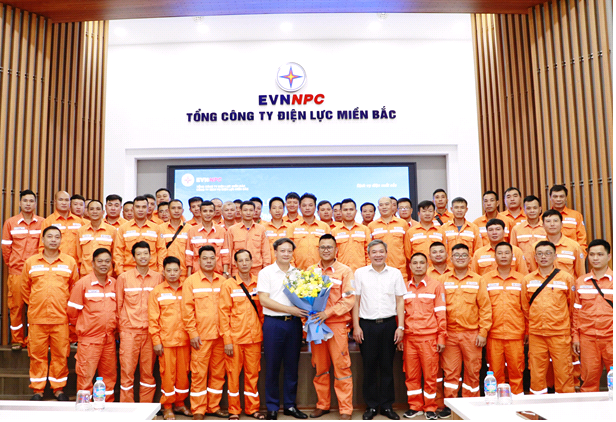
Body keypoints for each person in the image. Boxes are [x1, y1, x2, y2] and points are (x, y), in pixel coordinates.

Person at [22, 226, 79, 401]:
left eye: (57, 237)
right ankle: (38, 390)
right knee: (37, 354)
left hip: (61, 318)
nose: (53, 240)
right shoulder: (31, 262)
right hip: (37, 318)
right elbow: (25, 289)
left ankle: (58, 389)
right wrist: (36, 305)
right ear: (43, 239)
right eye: (50, 237)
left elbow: (74, 288)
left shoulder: (69, 262)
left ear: (61, 240)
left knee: (60, 354)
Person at [353, 239, 406, 421]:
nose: (378, 255)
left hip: (389, 325)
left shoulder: (395, 273)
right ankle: (371, 406)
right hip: (366, 325)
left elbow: (400, 301)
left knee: (386, 366)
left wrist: (400, 326)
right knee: (368, 367)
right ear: (368, 254)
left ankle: (387, 405)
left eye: (381, 251)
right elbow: (356, 301)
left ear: (386, 252)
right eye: (374, 252)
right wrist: (356, 325)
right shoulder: (360, 273)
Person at [257, 238, 309, 420]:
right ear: (275, 252)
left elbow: (304, 297)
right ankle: (271, 407)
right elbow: (264, 300)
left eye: (289, 251)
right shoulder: (266, 272)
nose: (286, 254)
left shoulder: (298, 273)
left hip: (294, 324)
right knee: (271, 366)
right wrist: (290, 309)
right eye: (282, 251)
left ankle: (290, 405)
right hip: (274, 324)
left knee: (292, 366)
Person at [438, 244, 491, 419]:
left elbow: (485, 308)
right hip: (450, 334)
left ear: (469, 259)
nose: (460, 258)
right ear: (450, 259)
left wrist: (483, 333)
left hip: (472, 334)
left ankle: (471, 405)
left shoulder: (478, 280)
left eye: (463, 255)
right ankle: (451, 406)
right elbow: (438, 309)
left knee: (472, 371)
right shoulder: (443, 280)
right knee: (450, 372)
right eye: (456, 255)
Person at [307, 234, 355, 420]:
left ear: (336, 250)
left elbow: (349, 299)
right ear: (318, 249)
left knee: (342, 367)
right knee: (320, 367)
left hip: (336, 325)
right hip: (316, 326)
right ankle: (323, 405)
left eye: (329, 247)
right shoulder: (311, 271)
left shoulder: (345, 271)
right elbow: (305, 299)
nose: (326, 250)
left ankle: (345, 409)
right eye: (323, 247)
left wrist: (328, 313)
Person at [521, 240, 575, 394]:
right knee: (537, 375)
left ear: (555, 256)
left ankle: (565, 412)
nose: (543, 257)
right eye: (539, 254)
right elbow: (525, 308)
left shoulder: (566, 278)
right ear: (535, 257)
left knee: (564, 373)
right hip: (537, 334)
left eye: (548, 253)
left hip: (560, 334)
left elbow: (571, 306)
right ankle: (538, 411)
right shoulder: (528, 280)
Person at [181, 245, 229, 419]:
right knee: (199, 374)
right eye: (205, 258)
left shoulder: (223, 281)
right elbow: (187, 310)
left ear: (217, 259)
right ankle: (199, 409)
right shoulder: (191, 282)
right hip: (200, 337)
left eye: (211, 258)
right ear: (198, 260)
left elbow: (229, 309)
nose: (209, 261)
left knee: (218, 373)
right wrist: (192, 333)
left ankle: (214, 407)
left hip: (221, 336)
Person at [219, 249, 265, 420]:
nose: (244, 263)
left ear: (252, 262)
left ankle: (253, 409)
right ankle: (234, 410)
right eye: (241, 261)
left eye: (247, 260)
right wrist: (227, 340)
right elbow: (223, 314)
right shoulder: (228, 285)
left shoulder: (259, 283)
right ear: (235, 264)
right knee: (233, 375)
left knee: (252, 375)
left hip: (254, 338)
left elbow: (262, 312)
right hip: (235, 339)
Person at [67, 248, 117, 402]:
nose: (104, 264)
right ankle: (84, 411)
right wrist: (84, 327)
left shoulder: (114, 283)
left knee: (109, 378)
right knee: (85, 377)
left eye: (107, 261)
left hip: (109, 339)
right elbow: (72, 312)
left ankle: (107, 409)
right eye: (100, 261)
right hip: (89, 340)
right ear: (93, 263)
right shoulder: (83, 284)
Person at [400, 252, 446, 420]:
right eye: (415, 263)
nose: (418, 266)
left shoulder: (436, 286)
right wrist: (401, 336)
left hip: (429, 338)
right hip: (409, 338)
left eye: (422, 263)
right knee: (411, 375)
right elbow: (400, 314)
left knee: (430, 375)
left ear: (427, 266)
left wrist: (441, 337)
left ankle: (431, 407)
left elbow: (441, 313)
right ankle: (415, 406)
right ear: (410, 266)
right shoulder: (403, 287)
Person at [116, 241, 163, 402]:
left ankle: (146, 409)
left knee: (148, 373)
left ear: (151, 255)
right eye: (139, 254)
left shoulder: (158, 278)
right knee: (127, 372)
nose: (143, 257)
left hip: (150, 333)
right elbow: (118, 305)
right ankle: (126, 409)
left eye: (146, 253)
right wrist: (121, 330)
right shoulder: (123, 278)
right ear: (133, 257)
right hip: (129, 332)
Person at [148, 256, 192, 420]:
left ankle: (180, 404)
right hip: (166, 342)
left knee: (183, 375)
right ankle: (167, 407)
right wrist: (156, 341)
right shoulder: (157, 292)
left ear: (181, 271)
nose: (172, 274)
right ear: (163, 272)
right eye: (169, 270)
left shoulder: (187, 289)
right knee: (167, 375)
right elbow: (153, 319)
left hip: (185, 341)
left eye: (175, 270)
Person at [482, 242, 526, 396]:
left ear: (512, 256)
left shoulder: (521, 280)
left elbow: (526, 308)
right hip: (494, 334)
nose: (503, 256)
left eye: (506, 253)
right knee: (495, 374)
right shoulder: (485, 279)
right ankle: (496, 406)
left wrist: (526, 331)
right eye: (499, 253)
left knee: (516, 372)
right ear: (494, 257)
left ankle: (517, 405)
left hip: (515, 334)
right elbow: (482, 307)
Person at [1, 189, 43, 349]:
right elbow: (6, 249)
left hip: (37, 273)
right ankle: (17, 340)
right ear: (19, 203)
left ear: (35, 203)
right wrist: (13, 263)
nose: (28, 204)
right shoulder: (10, 223)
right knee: (16, 307)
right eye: (25, 201)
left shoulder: (42, 222)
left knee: (36, 307)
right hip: (17, 273)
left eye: (31, 201)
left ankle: (33, 340)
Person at [572, 239, 613, 392]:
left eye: (600, 254)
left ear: (608, 256)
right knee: (588, 382)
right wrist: (575, 337)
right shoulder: (581, 282)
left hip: (611, 338)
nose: (595, 258)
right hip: (588, 339)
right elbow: (576, 313)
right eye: (592, 254)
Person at [114, 196, 166, 275]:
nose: (141, 210)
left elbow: (161, 251)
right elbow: (118, 252)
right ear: (133, 208)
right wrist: (120, 273)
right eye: (138, 207)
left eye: (144, 207)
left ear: (148, 209)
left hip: (152, 272)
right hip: (128, 272)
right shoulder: (123, 228)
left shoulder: (156, 228)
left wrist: (160, 272)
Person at [529, 210, 585, 279]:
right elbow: (533, 273)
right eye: (548, 221)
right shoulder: (535, 247)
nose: (552, 224)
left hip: (567, 288)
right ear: (543, 225)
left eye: (555, 221)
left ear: (561, 224)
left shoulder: (574, 246)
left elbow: (581, 275)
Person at [368, 196, 409, 281]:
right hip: (379, 269)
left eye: (387, 204)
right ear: (378, 208)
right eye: (381, 205)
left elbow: (407, 248)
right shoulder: (372, 226)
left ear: (392, 206)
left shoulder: (402, 223)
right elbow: (369, 249)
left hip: (400, 269)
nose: (384, 207)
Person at [186, 200, 230, 277]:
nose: (208, 214)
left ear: (214, 213)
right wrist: (189, 274)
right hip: (197, 273)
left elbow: (225, 254)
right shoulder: (192, 231)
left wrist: (225, 273)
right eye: (205, 211)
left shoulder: (221, 231)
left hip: (217, 273)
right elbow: (189, 255)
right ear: (200, 212)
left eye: (210, 211)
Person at [287, 193, 331, 270]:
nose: (307, 208)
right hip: (297, 270)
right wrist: (293, 268)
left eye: (310, 205)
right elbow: (288, 249)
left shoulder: (325, 227)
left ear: (315, 207)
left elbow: (330, 250)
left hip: (320, 271)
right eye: (304, 205)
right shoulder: (292, 227)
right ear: (299, 207)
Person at [226, 201, 271, 276]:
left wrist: (266, 270)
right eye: (245, 210)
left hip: (257, 270)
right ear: (240, 212)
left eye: (251, 210)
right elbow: (229, 252)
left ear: (254, 212)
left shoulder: (261, 229)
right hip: (237, 270)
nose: (248, 213)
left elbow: (265, 252)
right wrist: (228, 272)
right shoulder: (232, 230)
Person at [39, 190, 84, 260]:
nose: (64, 203)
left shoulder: (79, 221)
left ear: (70, 202)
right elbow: (42, 246)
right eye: (60, 200)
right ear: (55, 202)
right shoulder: (48, 221)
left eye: (66, 200)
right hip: (57, 263)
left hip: (76, 263)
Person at [76, 200, 116, 276]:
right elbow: (78, 256)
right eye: (91, 209)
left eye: (98, 209)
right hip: (86, 274)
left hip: (106, 274)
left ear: (103, 212)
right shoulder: (81, 231)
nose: (94, 212)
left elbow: (115, 255)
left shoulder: (112, 230)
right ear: (87, 212)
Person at [331, 198, 371, 273]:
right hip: (341, 272)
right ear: (341, 211)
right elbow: (333, 255)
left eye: (351, 209)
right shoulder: (334, 231)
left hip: (361, 271)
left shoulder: (365, 230)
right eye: (345, 210)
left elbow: (369, 251)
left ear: (355, 211)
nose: (348, 212)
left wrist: (368, 269)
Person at [509, 195, 546, 270]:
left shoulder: (547, 228)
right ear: (524, 210)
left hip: (543, 269)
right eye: (528, 208)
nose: (532, 211)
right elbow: (513, 252)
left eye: (535, 208)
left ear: (540, 209)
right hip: (522, 270)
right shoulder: (516, 229)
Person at [158, 199, 190, 281]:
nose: (176, 211)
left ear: (183, 210)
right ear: (168, 211)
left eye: (179, 208)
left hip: (184, 273)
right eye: (173, 208)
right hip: (166, 273)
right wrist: (161, 271)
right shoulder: (160, 228)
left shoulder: (190, 229)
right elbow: (160, 252)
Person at [404, 200, 444, 265]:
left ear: (434, 213)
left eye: (430, 211)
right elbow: (408, 254)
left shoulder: (441, 231)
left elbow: (444, 252)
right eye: (424, 211)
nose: (427, 214)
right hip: (418, 269)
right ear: (419, 214)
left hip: (436, 269)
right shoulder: (411, 232)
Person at [549, 184, 587, 250]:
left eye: (561, 196)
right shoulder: (544, 217)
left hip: (571, 254)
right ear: (550, 198)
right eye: (555, 196)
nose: (558, 199)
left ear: (566, 198)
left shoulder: (576, 215)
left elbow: (582, 239)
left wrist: (580, 256)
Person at [262, 197, 292, 262]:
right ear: (270, 211)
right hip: (269, 265)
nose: (277, 210)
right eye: (274, 208)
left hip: (286, 265)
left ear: (284, 210)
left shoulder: (291, 227)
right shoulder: (263, 228)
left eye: (280, 208)